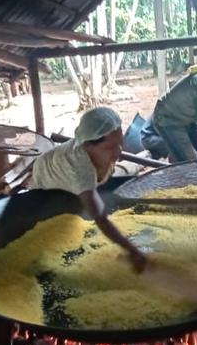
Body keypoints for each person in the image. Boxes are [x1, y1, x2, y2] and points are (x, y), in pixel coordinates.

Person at [31, 107, 147, 272]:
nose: (119, 151)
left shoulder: (96, 155)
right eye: (110, 147)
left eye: (120, 143)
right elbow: (98, 215)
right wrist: (132, 250)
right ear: (88, 145)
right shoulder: (78, 167)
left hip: (71, 173)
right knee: (57, 219)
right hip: (47, 178)